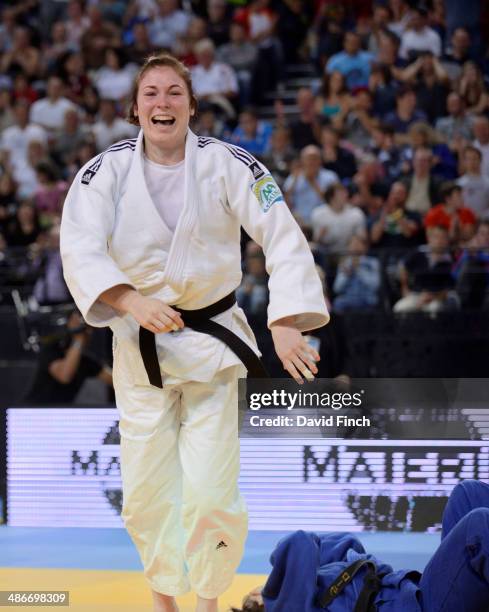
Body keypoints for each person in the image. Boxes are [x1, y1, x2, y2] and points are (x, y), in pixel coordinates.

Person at [60, 53, 328, 612]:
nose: (163, 103)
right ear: (135, 108)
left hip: (212, 345)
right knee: (146, 497)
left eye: (174, 92)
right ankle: (165, 604)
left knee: (210, 491)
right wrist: (129, 299)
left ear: (192, 105)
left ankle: (208, 601)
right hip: (140, 349)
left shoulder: (231, 164)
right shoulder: (102, 172)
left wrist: (283, 322)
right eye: (152, 93)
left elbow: (280, 233)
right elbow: (79, 246)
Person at [234, 479, 489, 612]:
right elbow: (299, 542)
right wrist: (272, 585)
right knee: (477, 527)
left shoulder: (311, 592)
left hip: (418, 592)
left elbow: (347, 545)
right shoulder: (286, 606)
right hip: (420, 606)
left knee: (468, 494)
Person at [24, 309, 113, 404]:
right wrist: (78, 339)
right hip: (34, 412)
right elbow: (64, 375)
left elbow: (116, 381)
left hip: (61, 414)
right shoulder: (52, 350)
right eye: (86, 329)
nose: (89, 333)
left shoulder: (85, 362)